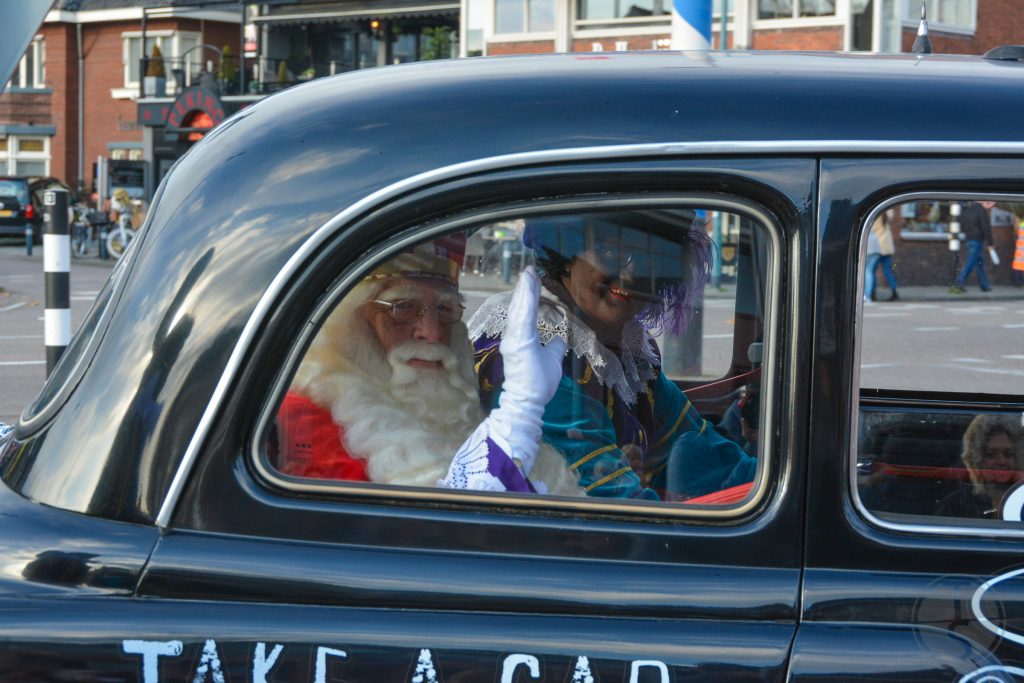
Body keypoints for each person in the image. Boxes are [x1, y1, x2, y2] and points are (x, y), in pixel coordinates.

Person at [468, 212, 756, 501]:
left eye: (650, 258)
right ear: (566, 253)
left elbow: (698, 446)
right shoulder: (535, 345)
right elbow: (614, 503)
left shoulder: (627, 349)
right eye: (610, 252)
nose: (632, 274)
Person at [275, 239, 584, 496]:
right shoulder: (305, 420)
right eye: (402, 307)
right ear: (351, 323)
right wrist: (520, 415)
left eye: (444, 309)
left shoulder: (457, 412)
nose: (432, 333)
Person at [935, 414, 1023, 519]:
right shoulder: (955, 504)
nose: (1001, 461)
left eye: (1008, 454)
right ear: (977, 460)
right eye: (991, 454)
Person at [950, 200, 996, 294]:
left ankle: (984, 285)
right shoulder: (981, 211)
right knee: (970, 263)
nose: (991, 205)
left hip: (969, 239)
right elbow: (986, 227)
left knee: (980, 263)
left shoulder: (967, 210)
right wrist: (990, 243)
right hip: (977, 240)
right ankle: (958, 283)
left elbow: (961, 224)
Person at [864, 214, 899, 302]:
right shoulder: (886, 216)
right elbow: (891, 214)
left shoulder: (874, 215)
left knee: (871, 271)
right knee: (888, 270)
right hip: (887, 247)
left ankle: (871, 293)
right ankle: (894, 291)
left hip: (877, 247)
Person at [1013, 213, 1024, 288]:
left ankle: (1018, 282)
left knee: (1017, 267)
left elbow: (1016, 232)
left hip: (1019, 251)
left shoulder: (1021, 224)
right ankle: (1020, 282)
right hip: (1021, 251)